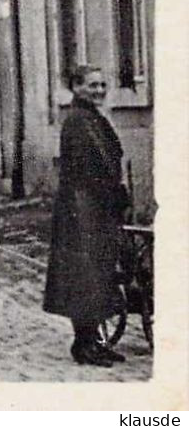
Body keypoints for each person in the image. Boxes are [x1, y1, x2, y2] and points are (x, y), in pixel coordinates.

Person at [44, 63, 130, 366]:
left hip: (95, 208)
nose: (99, 91)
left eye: (102, 85)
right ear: (76, 87)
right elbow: (87, 169)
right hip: (81, 210)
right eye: (92, 85)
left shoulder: (91, 117)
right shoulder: (79, 121)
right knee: (84, 277)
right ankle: (83, 345)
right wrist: (111, 192)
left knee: (98, 275)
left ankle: (93, 340)